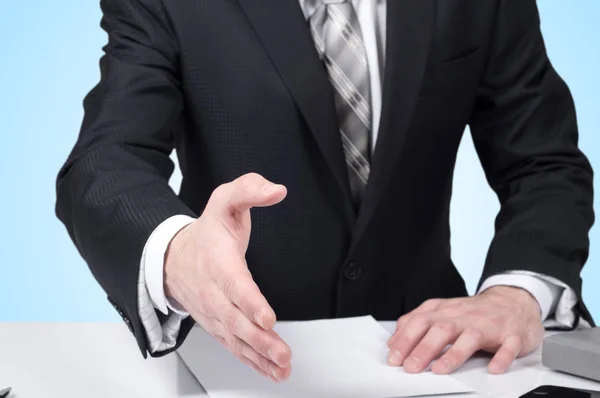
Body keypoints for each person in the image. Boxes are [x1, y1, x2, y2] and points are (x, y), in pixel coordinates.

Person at [56, 0, 594, 382]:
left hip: (435, 364)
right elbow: (104, 161)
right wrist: (177, 255)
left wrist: (517, 292)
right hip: (237, 361)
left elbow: (543, 162)